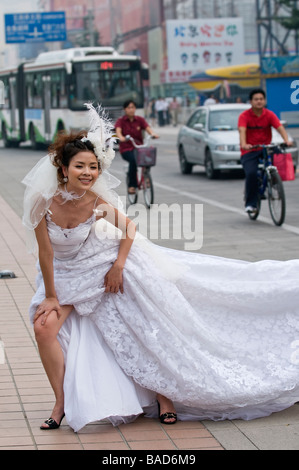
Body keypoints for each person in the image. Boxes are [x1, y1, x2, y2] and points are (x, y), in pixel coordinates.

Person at [23, 104, 299, 434]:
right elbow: (45, 252)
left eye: (93, 167)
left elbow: (128, 230)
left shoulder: (97, 202)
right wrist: (50, 296)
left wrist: (119, 266)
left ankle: (164, 396)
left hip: (103, 266)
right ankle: (61, 402)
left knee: (139, 321)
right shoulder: (43, 200)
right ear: (63, 169)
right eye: (79, 166)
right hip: (65, 277)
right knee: (43, 328)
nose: (87, 173)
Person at [238, 88, 292, 214]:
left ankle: (273, 179)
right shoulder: (244, 116)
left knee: (280, 157)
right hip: (250, 150)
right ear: (251, 101)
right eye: (256, 99)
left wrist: (286, 140)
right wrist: (244, 144)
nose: (259, 102)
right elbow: (242, 130)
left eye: (261, 99)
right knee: (251, 173)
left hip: (266, 147)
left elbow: (279, 127)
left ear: (264, 101)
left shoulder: (269, 114)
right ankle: (251, 203)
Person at [115, 100, 158, 195]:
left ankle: (146, 177)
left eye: (133, 107)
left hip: (138, 149)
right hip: (126, 150)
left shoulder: (140, 120)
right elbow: (118, 131)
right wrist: (121, 138)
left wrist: (153, 134)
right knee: (133, 160)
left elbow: (148, 128)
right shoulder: (121, 121)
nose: (131, 110)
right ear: (125, 109)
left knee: (148, 157)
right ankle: (132, 185)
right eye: (129, 107)